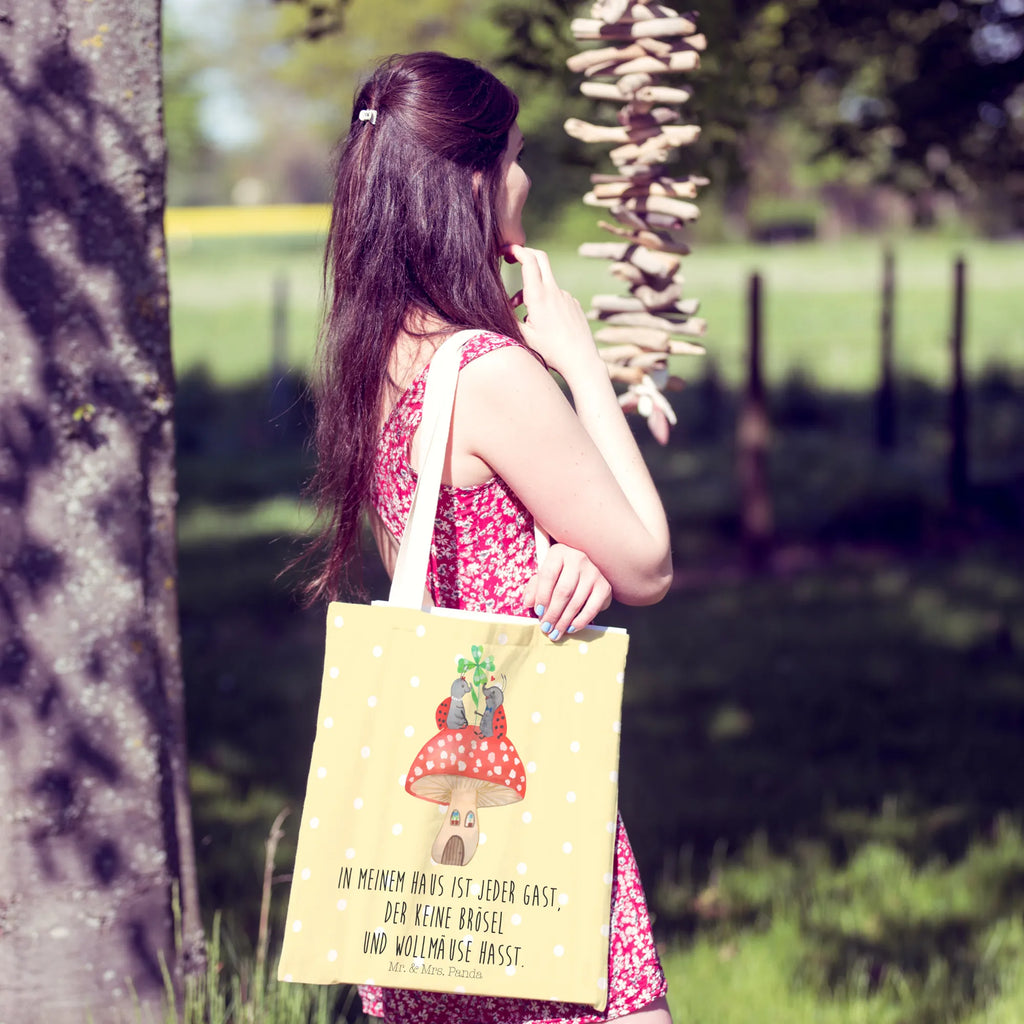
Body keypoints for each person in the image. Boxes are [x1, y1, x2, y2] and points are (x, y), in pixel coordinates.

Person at [304, 51, 674, 1024]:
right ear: (470, 181)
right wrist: (581, 362)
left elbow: (434, 561)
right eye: (512, 156)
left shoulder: (378, 358)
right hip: (527, 835)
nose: (523, 178)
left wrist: (558, 556)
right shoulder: (491, 372)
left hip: (423, 866)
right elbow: (648, 561)